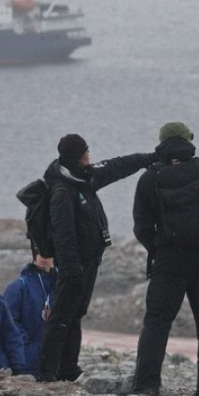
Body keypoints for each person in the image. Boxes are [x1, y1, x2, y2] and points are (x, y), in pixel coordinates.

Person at [131, 122, 199, 396]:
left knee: (156, 322)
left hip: (169, 262)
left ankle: (146, 386)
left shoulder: (149, 178)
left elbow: (141, 226)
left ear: (162, 144)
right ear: (188, 141)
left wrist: (160, 248)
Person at [39, 134, 154, 382]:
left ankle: (68, 368)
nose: (89, 154)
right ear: (76, 156)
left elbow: (117, 165)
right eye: (85, 151)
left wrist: (149, 159)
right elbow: (63, 234)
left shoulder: (84, 177)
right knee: (61, 315)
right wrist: (71, 269)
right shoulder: (62, 189)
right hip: (73, 265)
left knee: (76, 313)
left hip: (89, 260)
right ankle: (47, 372)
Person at [3, 247, 56, 379]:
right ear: (34, 256)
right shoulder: (19, 286)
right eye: (41, 254)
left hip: (55, 361)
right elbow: (9, 321)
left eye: (48, 255)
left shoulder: (59, 286)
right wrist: (27, 344)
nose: (44, 259)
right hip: (28, 359)